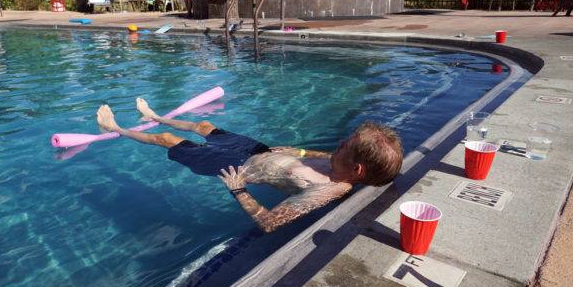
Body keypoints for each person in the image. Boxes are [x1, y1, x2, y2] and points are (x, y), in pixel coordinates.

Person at [96, 99, 403, 233]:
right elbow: (316, 154)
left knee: (166, 139)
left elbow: (269, 222)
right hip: (257, 149)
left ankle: (116, 129)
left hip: (237, 166)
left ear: (357, 171)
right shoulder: (337, 164)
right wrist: (294, 150)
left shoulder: (324, 192)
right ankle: (155, 115)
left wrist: (238, 189)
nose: (339, 145)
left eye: (344, 147)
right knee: (204, 125)